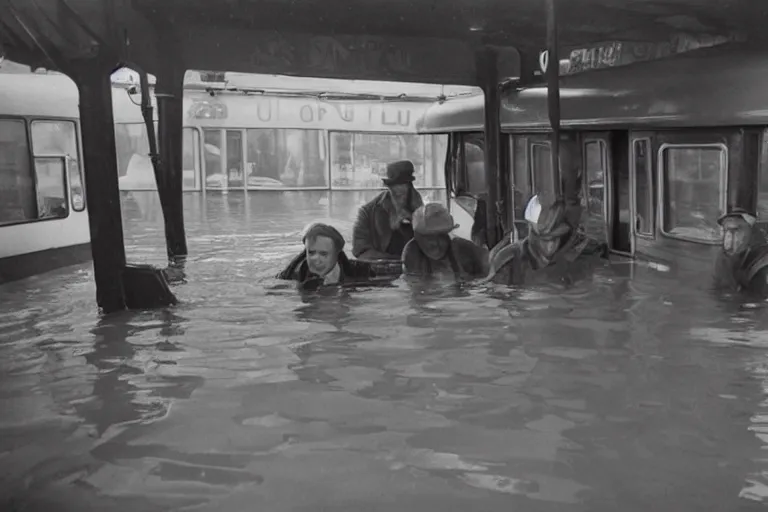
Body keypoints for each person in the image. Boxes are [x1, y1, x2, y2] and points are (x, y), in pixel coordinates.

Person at [484, 194, 608, 286]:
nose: (550, 246)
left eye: (556, 239)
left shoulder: (580, 255)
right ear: (530, 232)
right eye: (544, 240)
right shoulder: (508, 261)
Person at [352, 160, 424, 261]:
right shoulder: (367, 212)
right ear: (389, 189)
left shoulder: (421, 210)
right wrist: (398, 261)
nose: (400, 199)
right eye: (396, 194)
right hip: (382, 271)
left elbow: (431, 249)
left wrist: (415, 222)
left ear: (410, 188)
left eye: (403, 193)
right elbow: (360, 251)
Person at [277, 223, 382, 290]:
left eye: (323, 254)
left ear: (337, 254)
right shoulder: (294, 275)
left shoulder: (360, 271)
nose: (315, 260)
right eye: (311, 253)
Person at [401, 203, 488, 280]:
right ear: (417, 237)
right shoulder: (411, 253)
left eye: (441, 236)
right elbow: (415, 288)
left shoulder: (464, 249)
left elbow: (488, 273)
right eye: (429, 238)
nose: (436, 243)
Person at [713, 208, 768, 296]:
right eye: (726, 230)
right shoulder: (723, 258)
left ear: (751, 231)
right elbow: (717, 288)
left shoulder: (763, 263)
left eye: (736, 230)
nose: (729, 236)